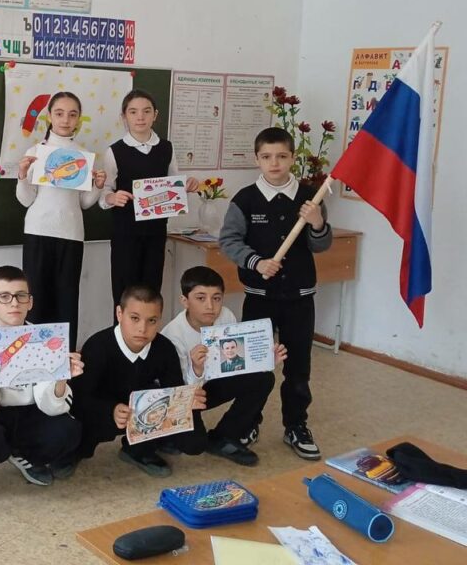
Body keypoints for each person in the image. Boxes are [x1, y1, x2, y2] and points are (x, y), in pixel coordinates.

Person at [219, 126, 332, 461]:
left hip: (299, 296)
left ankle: (296, 425)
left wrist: (317, 223)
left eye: (282, 156)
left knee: (298, 366)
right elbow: (229, 241)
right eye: (267, 156)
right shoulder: (245, 199)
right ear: (257, 159)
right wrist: (256, 262)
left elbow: (321, 245)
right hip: (259, 295)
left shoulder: (311, 198)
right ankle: (249, 420)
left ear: (292, 158)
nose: (274, 163)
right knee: (254, 365)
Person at [0, 266, 83, 499]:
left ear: (30, 302)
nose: (14, 303)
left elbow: (53, 407)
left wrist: (61, 377)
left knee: (67, 431)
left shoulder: (43, 338)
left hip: (25, 409)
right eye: (4, 297)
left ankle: (22, 452)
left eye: (21, 296)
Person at [71, 284, 207, 478]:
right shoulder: (97, 347)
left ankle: (138, 450)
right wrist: (110, 410)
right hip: (105, 407)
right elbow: (78, 399)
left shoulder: (165, 348)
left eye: (152, 320)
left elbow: (174, 389)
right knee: (77, 433)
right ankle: (75, 451)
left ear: (159, 319)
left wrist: (186, 399)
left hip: (145, 410)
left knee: (194, 441)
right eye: (134, 318)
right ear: (119, 314)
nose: (142, 329)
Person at [161, 266, 286, 466]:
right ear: (185, 301)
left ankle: (224, 436)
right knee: (194, 445)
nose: (210, 306)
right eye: (200, 298)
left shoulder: (226, 316)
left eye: (216, 298)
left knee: (263, 379)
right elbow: (177, 390)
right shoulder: (172, 336)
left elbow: (237, 364)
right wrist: (197, 368)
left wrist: (264, 360)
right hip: (184, 394)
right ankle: (166, 434)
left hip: (210, 384)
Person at [16, 92, 106, 349]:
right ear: (49, 116)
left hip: (71, 234)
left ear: (79, 119)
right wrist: (22, 174)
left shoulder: (83, 155)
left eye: (72, 114)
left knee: (66, 301)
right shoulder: (36, 152)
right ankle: (32, 358)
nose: (66, 120)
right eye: (59, 113)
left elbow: (84, 203)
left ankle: (64, 363)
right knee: (35, 300)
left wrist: (98, 186)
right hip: (38, 232)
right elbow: (25, 200)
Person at [100, 90, 198, 315]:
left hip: (155, 232)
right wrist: (112, 198)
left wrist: (187, 185)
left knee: (152, 291)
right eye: (133, 112)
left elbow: (174, 184)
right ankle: (122, 335)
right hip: (125, 233)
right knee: (125, 293)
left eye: (146, 111)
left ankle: (150, 335)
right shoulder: (115, 151)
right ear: (124, 116)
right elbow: (105, 191)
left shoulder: (166, 148)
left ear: (155, 115)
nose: (140, 117)